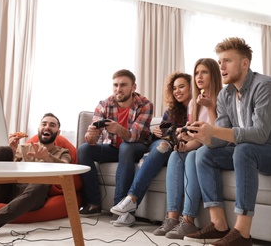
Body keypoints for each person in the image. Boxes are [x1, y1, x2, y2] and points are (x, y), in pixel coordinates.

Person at [182, 37, 271, 246]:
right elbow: (221, 138)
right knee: (203, 154)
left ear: (245, 63)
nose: (221, 66)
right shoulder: (226, 95)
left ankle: (242, 233)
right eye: (220, 61)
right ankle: (218, 225)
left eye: (227, 61)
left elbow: (260, 134)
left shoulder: (265, 86)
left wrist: (214, 130)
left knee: (243, 150)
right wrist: (202, 137)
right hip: (249, 150)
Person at [0, 113, 71, 243]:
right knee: (3, 150)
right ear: (38, 128)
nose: (47, 127)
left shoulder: (62, 152)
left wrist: (47, 157)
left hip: (33, 194)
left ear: (58, 132)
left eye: (52, 125)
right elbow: (7, 168)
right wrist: (13, 151)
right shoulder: (24, 147)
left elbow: (66, 168)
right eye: (44, 124)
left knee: (41, 184)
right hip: (10, 187)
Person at [109, 71, 192, 227]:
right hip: (163, 143)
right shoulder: (171, 111)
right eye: (174, 88)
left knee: (162, 146)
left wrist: (176, 136)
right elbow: (162, 134)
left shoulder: (196, 108)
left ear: (191, 88)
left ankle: (132, 199)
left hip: (178, 146)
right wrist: (156, 132)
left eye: (181, 87)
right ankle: (128, 208)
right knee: (160, 145)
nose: (177, 91)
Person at [153, 58, 222, 239]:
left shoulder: (222, 97)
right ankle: (172, 218)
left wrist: (210, 107)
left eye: (204, 72)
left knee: (193, 156)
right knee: (176, 155)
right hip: (200, 145)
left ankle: (188, 221)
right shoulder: (194, 103)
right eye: (197, 73)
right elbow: (194, 136)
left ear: (213, 75)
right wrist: (184, 141)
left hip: (218, 147)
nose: (199, 76)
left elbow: (217, 134)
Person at [78, 69, 153, 225]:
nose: (118, 89)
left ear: (133, 87)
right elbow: (92, 140)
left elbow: (135, 136)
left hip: (137, 147)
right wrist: (91, 135)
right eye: (116, 85)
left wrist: (119, 129)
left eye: (123, 85)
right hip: (112, 147)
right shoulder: (104, 104)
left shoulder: (145, 105)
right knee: (84, 149)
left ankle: (119, 206)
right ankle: (94, 204)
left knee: (126, 146)